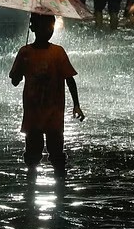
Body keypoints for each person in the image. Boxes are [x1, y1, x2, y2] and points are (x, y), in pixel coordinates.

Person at [9, 13, 85, 179]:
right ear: (33, 27)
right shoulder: (25, 52)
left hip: (53, 115)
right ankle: (41, 188)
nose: (48, 30)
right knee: (32, 157)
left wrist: (76, 104)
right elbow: (15, 80)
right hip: (34, 115)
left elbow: (69, 80)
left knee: (57, 154)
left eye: (50, 26)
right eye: (43, 26)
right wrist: (18, 74)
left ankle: (52, 188)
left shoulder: (57, 52)